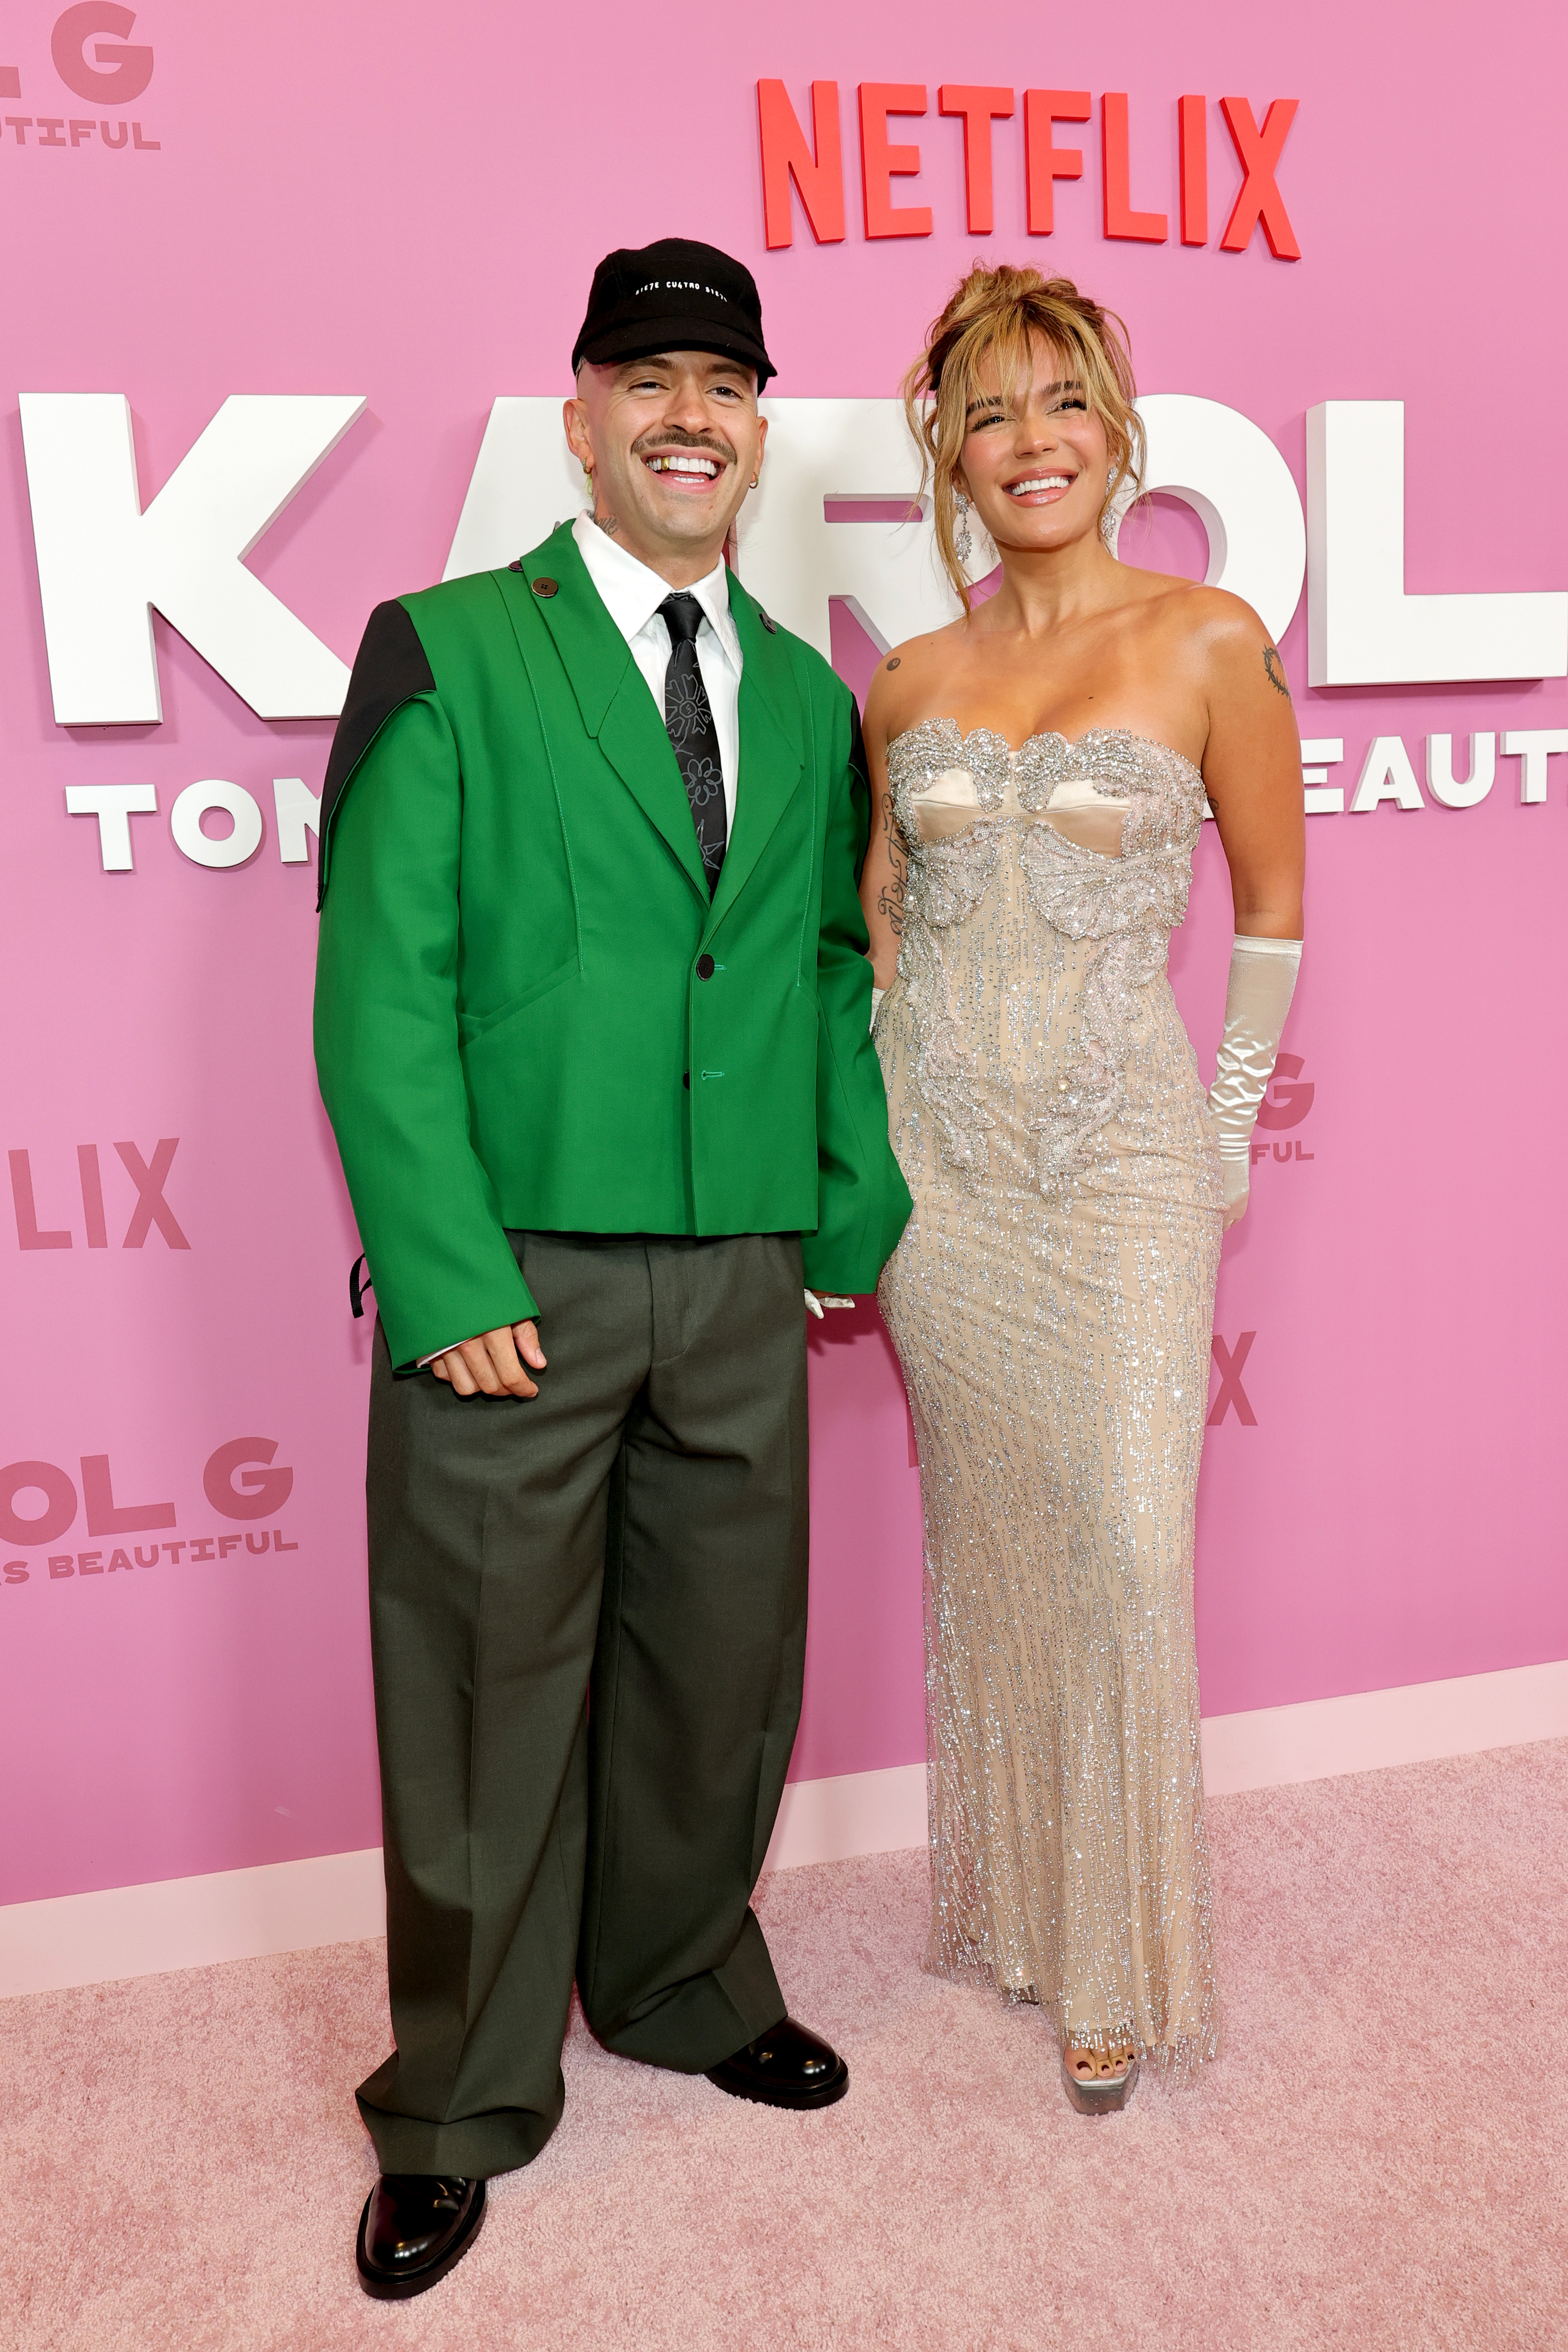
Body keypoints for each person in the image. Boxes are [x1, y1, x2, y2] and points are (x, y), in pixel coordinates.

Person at [314, 237, 911, 2298]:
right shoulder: (448, 646)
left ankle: (675, 1976)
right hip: (519, 1276)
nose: (687, 412)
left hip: (744, 1265)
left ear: (758, 425)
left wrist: (847, 1207)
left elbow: (830, 967)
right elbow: (382, 992)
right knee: (487, 1682)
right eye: (645, 376)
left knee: (717, 1667)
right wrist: (445, 1262)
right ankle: (465, 2097)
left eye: (724, 384)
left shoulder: (816, 692)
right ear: (578, 414)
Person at [859, 265, 1304, 2116]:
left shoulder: (1209, 640)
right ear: (948, 455)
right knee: (1004, 1551)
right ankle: (1030, 1914)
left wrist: (1217, 1134)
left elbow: (1272, 913)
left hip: (1120, 1170)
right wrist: (868, 1139)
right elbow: (883, 905)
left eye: (1059, 404)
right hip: (944, 1183)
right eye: (989, 410)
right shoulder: (910, 676)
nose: (1027, 441)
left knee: (1125, 1547)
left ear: (1118, 434)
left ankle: (1119, 1952)